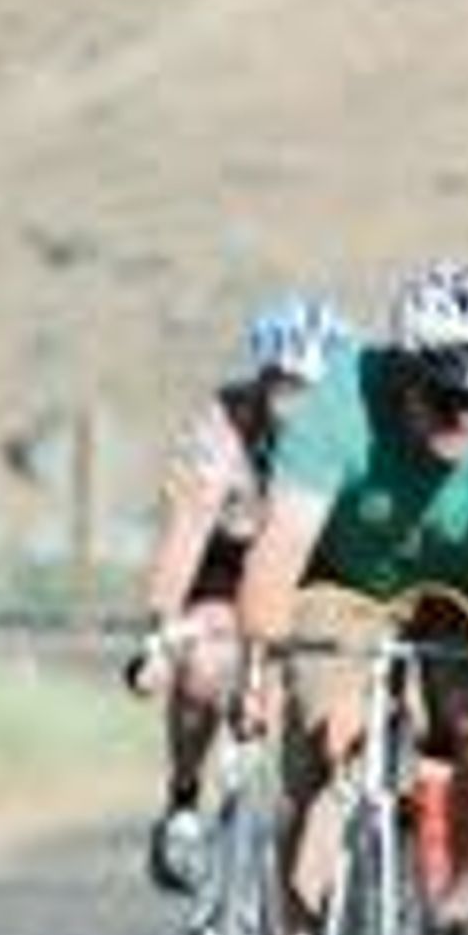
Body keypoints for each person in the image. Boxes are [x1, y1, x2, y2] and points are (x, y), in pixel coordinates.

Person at [232, 263, 468, 935]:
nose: (462, 418)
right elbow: (278, 553)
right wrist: (253, 673)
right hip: (342, 583)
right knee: (330, 746)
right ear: (402, 373)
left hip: (460, 595)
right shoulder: (338, 405)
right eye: (444, 397)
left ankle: (456, 915)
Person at [128, 294, 353, 890]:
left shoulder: (353, 432)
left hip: (315, 579)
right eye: (282, 385)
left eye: (309, 390)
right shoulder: (223, 425)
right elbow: (185, 532)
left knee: (313, 705)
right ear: (262, 378)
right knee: (203, 667)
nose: (294, 404)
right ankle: (182, 800)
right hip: (227, 577)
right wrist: (158, 636)